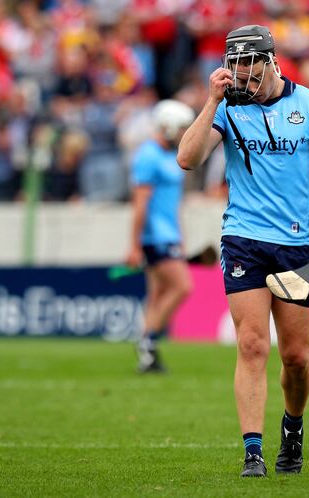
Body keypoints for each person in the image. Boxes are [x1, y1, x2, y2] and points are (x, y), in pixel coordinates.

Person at [176, 25, 309, 478]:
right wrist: (211, 102)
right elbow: (187, 159)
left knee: (296, 356)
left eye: (250, 69)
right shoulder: (228, 107)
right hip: (243, 239)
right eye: (236, 68)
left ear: (271, 62)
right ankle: (252, 451)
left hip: (295, 244)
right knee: (252, 345)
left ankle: (293, 427)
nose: (243, 78)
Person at [127, 99, 196, 373]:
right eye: (180, 128)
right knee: (182, 287)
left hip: (168, 233)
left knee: (157, 293)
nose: (183, 133)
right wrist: (134, 244)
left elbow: (173, 202)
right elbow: (140, 203)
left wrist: (180, 234)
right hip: (155, 235)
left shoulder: (169, 155)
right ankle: (149, 339)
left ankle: (148, 353)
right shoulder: (148, 155)